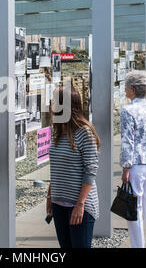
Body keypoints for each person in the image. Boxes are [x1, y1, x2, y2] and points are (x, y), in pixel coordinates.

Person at [46, 83, 100, 248]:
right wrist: (50, 196)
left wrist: (80, 204)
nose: (51, 106)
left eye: (54, 102)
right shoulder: (57, 132)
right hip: (58, 203)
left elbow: (90, 171)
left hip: (79, 205)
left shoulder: (85, 132)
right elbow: (56, 169)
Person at [120, 70, 146, 248]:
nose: (124, 90)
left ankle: (138, 246)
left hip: (137, 164)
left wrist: (125, 167)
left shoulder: (127, 110)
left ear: (132, 89)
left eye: (126, 87)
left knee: (134, 209)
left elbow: (127, 141)